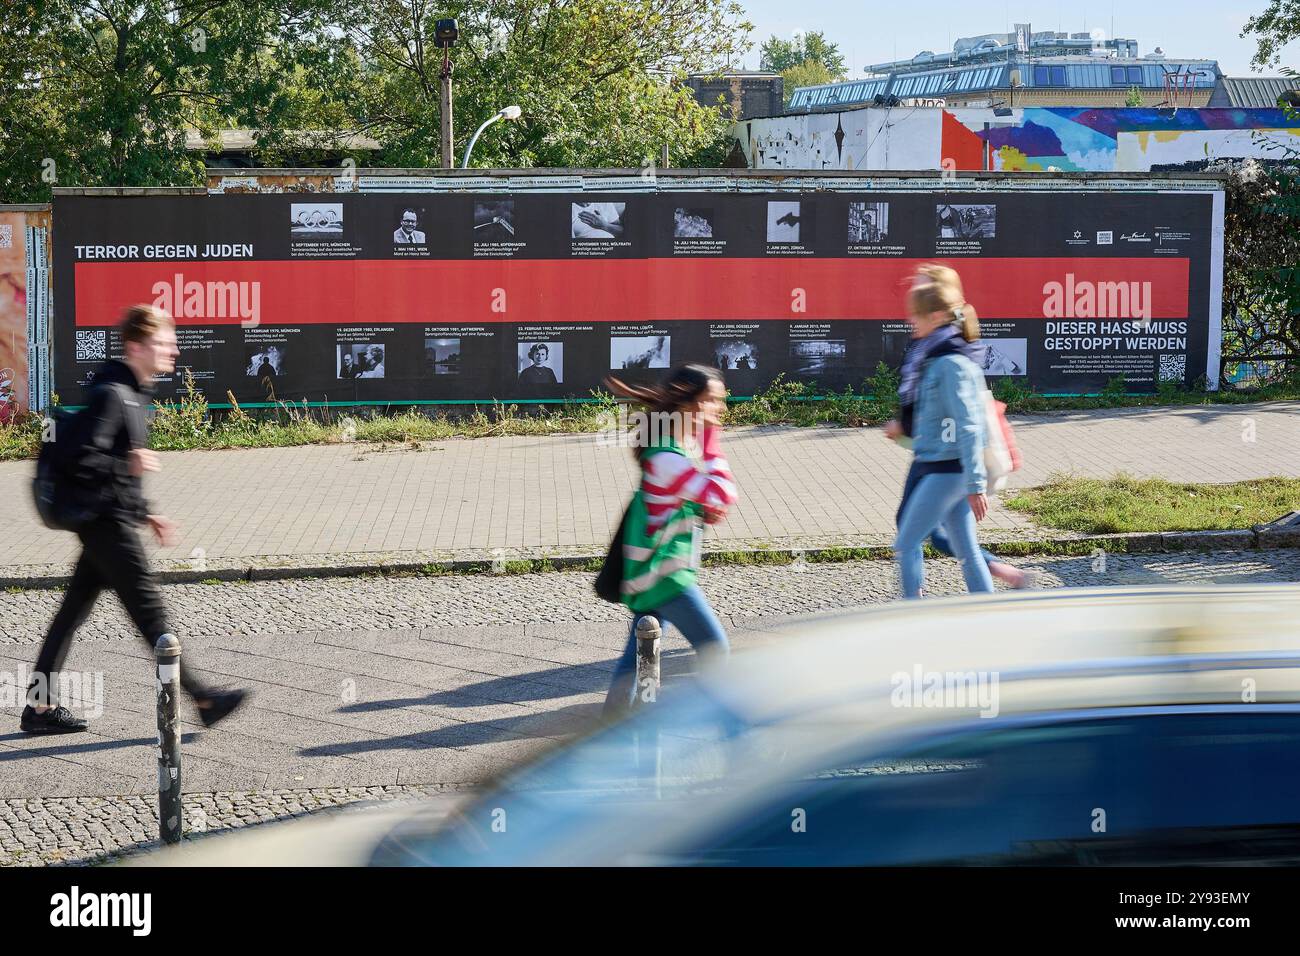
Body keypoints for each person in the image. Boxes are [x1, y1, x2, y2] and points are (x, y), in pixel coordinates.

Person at [22, 304, 249, 734]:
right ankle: (205, 699)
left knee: (69, 616)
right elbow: (83, 458)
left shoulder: (128, 390)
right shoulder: (112, 394)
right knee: (152, 617)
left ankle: (38, 708)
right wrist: (129, 463)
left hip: (107, 521)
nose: (174, 351)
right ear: (136, 346)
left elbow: (109, 464)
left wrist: (150, 514)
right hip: (108, 526)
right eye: (164, 343)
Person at [602, 364, 737, 716]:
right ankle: (725, 727)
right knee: (714, 648)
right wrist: (713, 445)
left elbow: (682, 500)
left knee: (641, 658)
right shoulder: (666, 455)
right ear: (689, 404)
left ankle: (615, 730)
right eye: (712, 401)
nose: (720, 409)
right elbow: (721, 493)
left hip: (652, 570)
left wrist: (699, 509)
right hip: (667, 575)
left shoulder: (671, 446)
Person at [885, 265, 997, 599]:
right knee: (966, 552)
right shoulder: (938, 355)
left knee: (906, 544)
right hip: (946, 465)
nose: (910, 322)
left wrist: (976, 485)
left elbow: (968, 425)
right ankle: (988, 612)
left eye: (916, 316)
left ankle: (911, 618)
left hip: (946, 470)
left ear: (935, 316)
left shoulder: (949, 363)